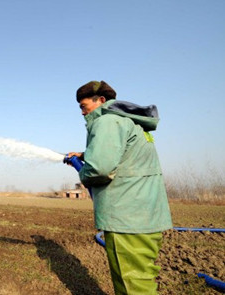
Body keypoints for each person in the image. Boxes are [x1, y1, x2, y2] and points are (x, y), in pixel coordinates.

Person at [67, 81, 172, 294]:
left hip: (126, 220)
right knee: (142, 279)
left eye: (83, 106)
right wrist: (85, 155)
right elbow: (124, 155)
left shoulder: (107, 122)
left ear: (101, 101)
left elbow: (100, 169)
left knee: (131, 284)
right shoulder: (130, 123)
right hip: (145, 217)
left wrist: (82, 171)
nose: (82, 112)